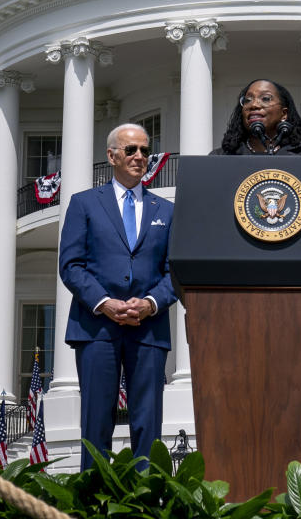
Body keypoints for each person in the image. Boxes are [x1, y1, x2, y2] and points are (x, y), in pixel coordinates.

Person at [59, 123, 176, 470]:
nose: (140, 157)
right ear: (112, 156)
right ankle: (94, 501)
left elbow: (175, 272)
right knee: (96, 422)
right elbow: (71, 265)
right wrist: (105, 303)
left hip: (148, 328)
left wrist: (151, 303)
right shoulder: (84, 204)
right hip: (96, 327)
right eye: (131, 150)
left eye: (145, 150)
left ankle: (143, 502)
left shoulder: (166, 210)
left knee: (148, 423)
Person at [211, 79, 301, 155]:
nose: (254, 105)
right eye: (247, 100)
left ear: (284, 114)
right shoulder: (221, 156)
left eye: (265, 98)